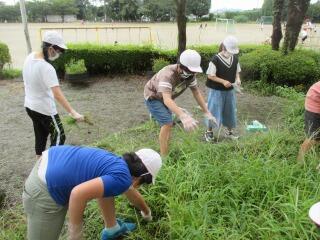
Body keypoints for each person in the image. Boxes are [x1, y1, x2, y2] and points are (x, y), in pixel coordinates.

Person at [22, 145, 162, 240]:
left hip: (49, 163)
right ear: (141, 177)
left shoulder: (116, 162)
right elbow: (77, 194)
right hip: (44, 189)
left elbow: (129, 192)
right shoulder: (122, 178)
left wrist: (146, 212)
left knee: (107, 188)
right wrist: (76, 235)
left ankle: (112, 228)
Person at [22, 31, 84, 159]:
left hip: (30, 106)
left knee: (40, 134)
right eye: (59, 50)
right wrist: (73, 112)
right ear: (50, 48)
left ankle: (39, 164)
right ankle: (51, 165)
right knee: (59, 135)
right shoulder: (47, 68)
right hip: (45, 110)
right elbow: (57, 94)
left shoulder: (30, 57)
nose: (60, 54)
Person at [144, 49, 216, 156]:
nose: (192, 73)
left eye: (194, 71)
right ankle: (164, 157)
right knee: (167, 123)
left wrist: (207, 112)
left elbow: (196, 92)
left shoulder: (190, 75)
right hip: (153, 96)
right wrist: (183, 116)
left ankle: (159, 120)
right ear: (180, 66)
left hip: (167, 97)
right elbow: (167, 99)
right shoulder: (167, 75)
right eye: (190, 71)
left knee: (168, 119)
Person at [204, 36, 241, 142]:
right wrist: (223, 81)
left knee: (230, 111)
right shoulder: (215, 59)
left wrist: (238, 79)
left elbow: (237, 72)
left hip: (230, 91)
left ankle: (229, 132)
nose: (231, 53)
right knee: (213, 110)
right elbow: (210, 76)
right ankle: (209, 132)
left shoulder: (234, 58)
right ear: (224, 48)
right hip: (217, 91)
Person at [297, 81, 320, 163]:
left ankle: (313, 157)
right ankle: (299, 164)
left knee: (317, 138)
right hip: (315, 98)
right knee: (313, 137)